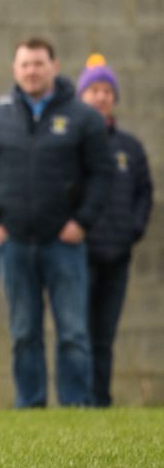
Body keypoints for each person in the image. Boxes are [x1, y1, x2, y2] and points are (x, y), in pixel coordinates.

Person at [0, 37, 111, 408]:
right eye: (24, 65)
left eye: (38, 63)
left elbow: (102, 174)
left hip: (64, 242)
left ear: (54, 66)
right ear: (15, 70)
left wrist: (82, 222)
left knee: (73, 334)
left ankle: (76, 407)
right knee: (22, 333)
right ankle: (30, 407)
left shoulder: (84, 117)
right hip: (13, 241)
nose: (31, 71)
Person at [76, 54, 153, 407]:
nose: (101, 96)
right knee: (79, 334)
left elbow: (144, 193)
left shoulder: (130, 148)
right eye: (94, 90)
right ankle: (78, 401)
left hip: (117, 255)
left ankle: (101, 401)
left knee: (104, 336)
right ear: (82, 96)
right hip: (79, 254)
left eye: (107, 90)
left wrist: (131, 231)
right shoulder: (73, 144)